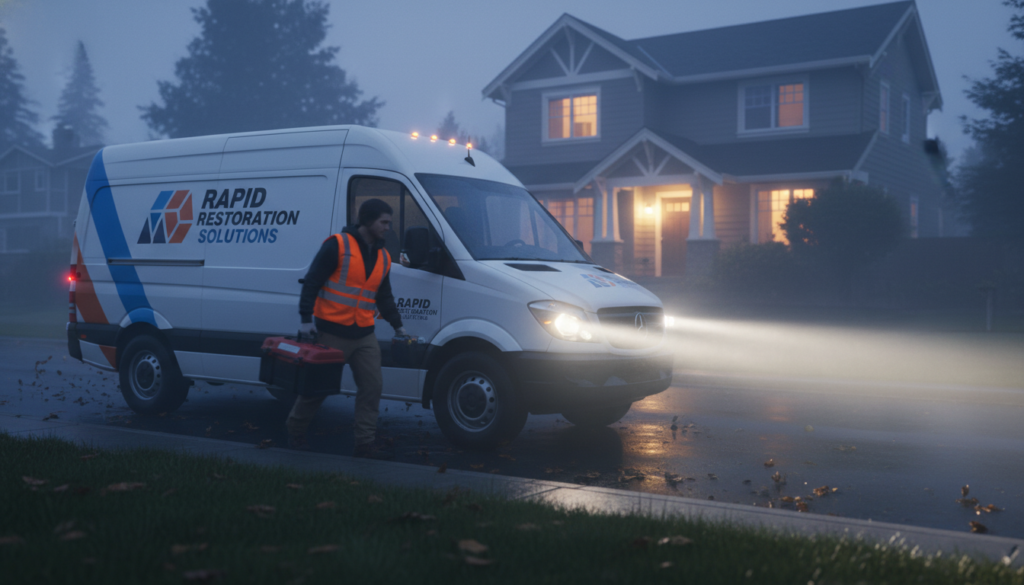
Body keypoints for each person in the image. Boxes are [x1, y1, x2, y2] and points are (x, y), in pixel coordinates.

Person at [287, 198, 406, 458]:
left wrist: (398, 326)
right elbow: (312, 282)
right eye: (384, 222)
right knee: (317, 389)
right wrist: (306, 319)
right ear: (368, 221)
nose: (388, 227)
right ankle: (295, 430)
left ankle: (364, 443)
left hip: (364, 333)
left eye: (389, 222)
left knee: (372, 387)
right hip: (331, 331)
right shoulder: (337, 246)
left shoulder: (383, 257)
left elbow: (383, 295)